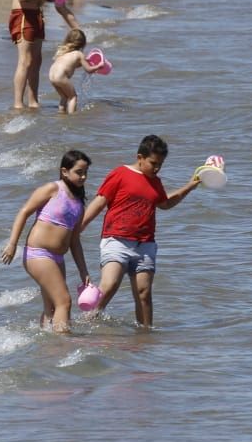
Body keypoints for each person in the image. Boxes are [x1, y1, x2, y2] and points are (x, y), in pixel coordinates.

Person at [77, 134, 201, 328]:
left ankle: (145, 336)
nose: (157, 168)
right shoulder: (120, 173)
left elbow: (165, 203)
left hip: (145, 244)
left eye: (160, 164)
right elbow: (100, 201)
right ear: (140, 157)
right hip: (116, 239)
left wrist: (190, 186)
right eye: (153, 163)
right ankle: (85, 324)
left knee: (144, 294)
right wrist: (79, 227)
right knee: (109, 285)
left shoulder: (156, 182)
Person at [0, 150, 93, 333]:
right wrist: (12, 245)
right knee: (64, 301)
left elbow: (74, 241)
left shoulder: (80, 204)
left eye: (85, 172)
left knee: (52, 308)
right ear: (64, 171)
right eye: (79, 172)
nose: (83, 176)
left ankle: (48, 347)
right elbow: (24, 212)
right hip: (38, 254)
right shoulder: (52, 189)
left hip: (57, 259)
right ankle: (63, 344)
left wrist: (84, 271)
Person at [49, 28, 106, 114]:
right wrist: (99, 66)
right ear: (83, 44)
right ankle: (72, 118)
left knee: (64, 97)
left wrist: (85, 61)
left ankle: (61, 115)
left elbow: (73, 65)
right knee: (73, 97)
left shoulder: (63, 53)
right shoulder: (79, 54)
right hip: (60, 76)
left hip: (51, 75)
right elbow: (89, 70)